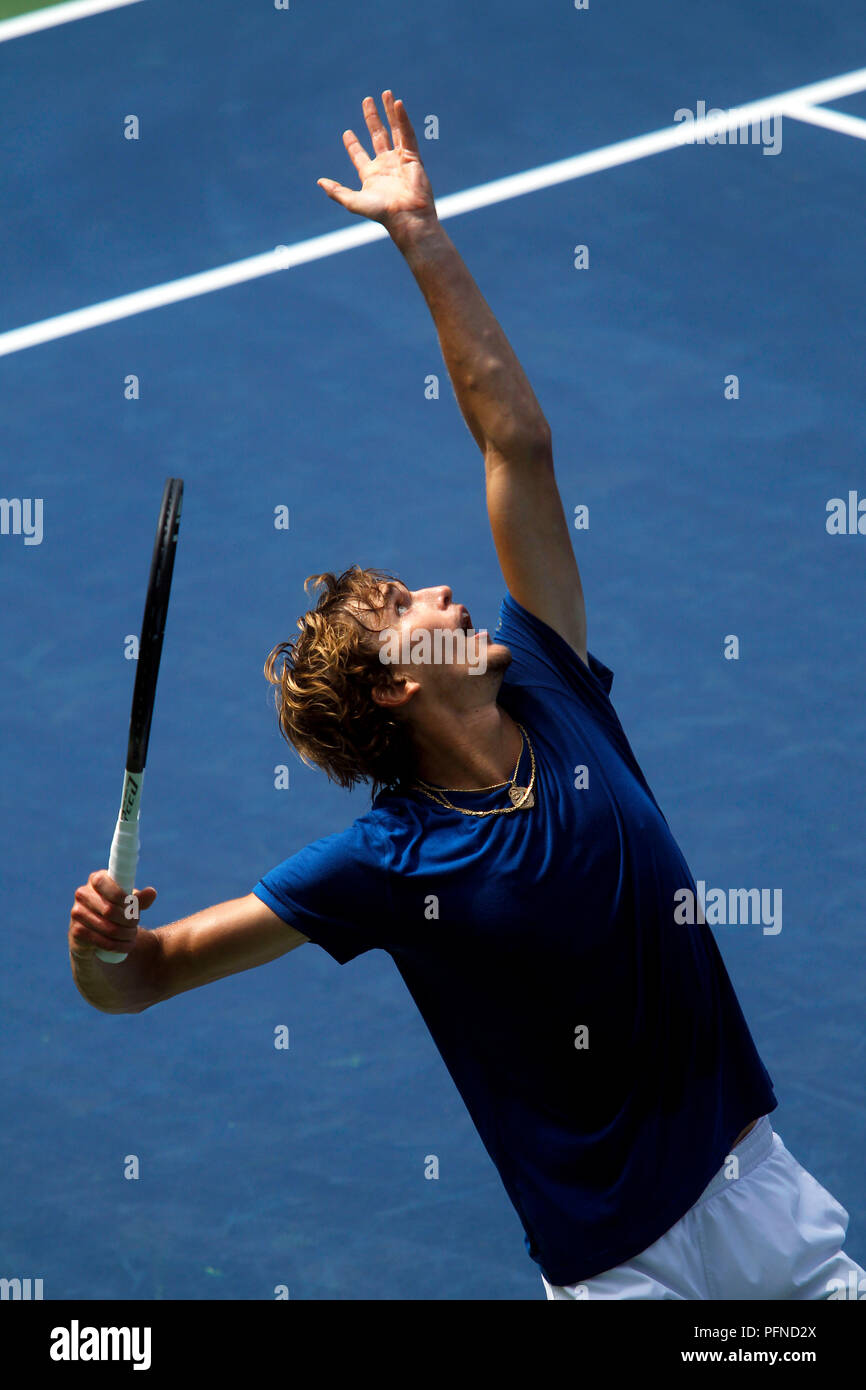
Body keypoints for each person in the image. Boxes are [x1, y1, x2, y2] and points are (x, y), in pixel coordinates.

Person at [69, 91, 864, 1300]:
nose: (449, 588)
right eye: (409, 602)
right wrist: (101, 948)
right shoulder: (387, 861)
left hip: (754, 1191)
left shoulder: (552, 686)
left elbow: (516, 445)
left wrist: (419, 236)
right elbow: (152, 972)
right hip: (619, 1272)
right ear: (395, 684)